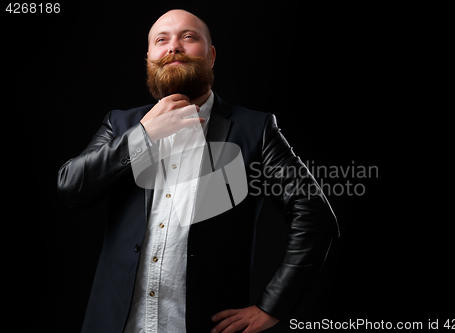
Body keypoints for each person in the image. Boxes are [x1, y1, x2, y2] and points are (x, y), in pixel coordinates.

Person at [57, 9, 338, 333]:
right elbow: (71, 188)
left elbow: (314, 215)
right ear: (149, 57)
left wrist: (271, 306)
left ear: (211, 55)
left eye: (188, 37)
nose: (173, 46)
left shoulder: (255, 130)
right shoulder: (120, 124)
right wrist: (143, 136)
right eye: (161, 40)